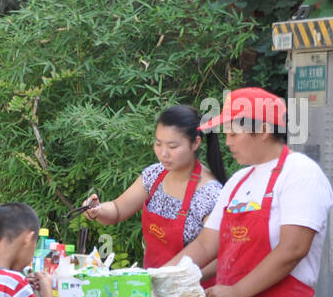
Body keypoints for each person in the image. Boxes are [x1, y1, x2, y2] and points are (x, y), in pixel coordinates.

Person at [171, 87, 333, 297]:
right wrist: (158, 278)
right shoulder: (239, 181)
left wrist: (237, 292)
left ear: (264, 129)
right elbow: (206, 245)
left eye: (234, 134)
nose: (227, 142)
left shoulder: (300, 173)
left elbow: (294, 248)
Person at [81, 104, 226, 280]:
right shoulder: (154, 174)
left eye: (172, 146)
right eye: (158, 143)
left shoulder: (210, 193)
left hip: (192, 294)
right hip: (151, 286)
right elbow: (118, 209)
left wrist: (179, 279)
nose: (163, 153)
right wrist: (98, 210)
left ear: (195, 142)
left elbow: (219, 253)